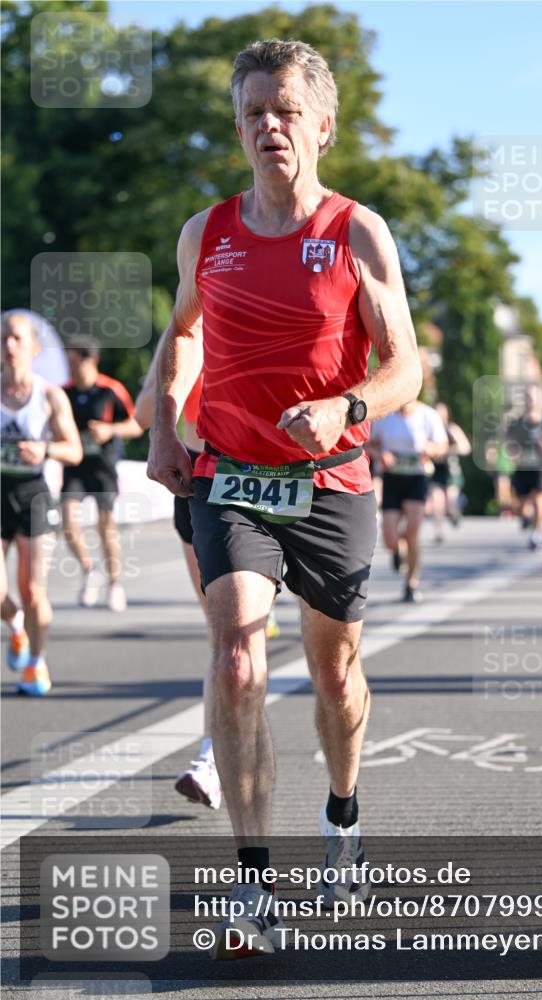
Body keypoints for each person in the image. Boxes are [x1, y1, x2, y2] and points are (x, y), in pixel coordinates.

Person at [146, 38, 421, 960]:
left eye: (287, 110)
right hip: (230, 472)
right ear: (238, 129)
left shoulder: (355, 230)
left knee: (336, 674)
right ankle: (252, 886)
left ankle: (342, 816)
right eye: (254, 112)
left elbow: (404, 366)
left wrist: (348, 404)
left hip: (332, 475)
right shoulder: (206, 232)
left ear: (322, 126)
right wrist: (160, 425)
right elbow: (181, 334)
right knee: (233, 652)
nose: (270, 125)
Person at [134, 359, 222, 810]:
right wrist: (175, 355)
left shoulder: (264, 307)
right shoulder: (187, 337)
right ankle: (213, 757)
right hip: (196, 487)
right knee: (225, 634)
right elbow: (142, 414)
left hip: (268, 481)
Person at [1, 311, 82, 695]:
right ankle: (15, 624)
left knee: (32, 589)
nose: (9, 345)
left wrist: (45, 448)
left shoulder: (50, 395)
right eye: (3, 339)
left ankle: (36, 662)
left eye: (16, 338)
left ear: (33, 348)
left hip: (33, 494)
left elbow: (75, 450)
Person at [61, 339, 141, 611]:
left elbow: (135, 425)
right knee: (68, 523)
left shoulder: (111, 390)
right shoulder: (64, 392)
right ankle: (89, 569)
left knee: (105, 526)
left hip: (103, 467)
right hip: (75, 466)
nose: (70, 367)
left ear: (89, 360)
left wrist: (110, 431)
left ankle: (115, 584)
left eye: (74, 361)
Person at [369, 400, 447, 601]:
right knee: (389, 538)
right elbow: (368, 444)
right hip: (392, 478)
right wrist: (381, 455)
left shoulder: (427, 415)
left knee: (412, 532)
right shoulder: (385, 416)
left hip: (417, 478)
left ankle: (411, 583)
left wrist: (431, 449)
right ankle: (397, 550)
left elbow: (442, 446)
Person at [504, 385, 542, 550]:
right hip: (522, 467)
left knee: (540, 498)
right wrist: (512, 452)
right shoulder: (516, 423)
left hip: (541, 466)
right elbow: (508, 443)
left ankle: (536, 534)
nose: (531, 400)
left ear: (540, 399)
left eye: (534, 397)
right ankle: (526, 517)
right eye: (528, 397)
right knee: (522, 505)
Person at [430, 401, 470, 540]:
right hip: (436, 471)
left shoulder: (452, 429)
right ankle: (438, 531)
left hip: (451, 471)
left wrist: (447, 451)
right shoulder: (430, 430)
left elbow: (466, 448)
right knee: (436, 500)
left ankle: (454, 511)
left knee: (450, 499)